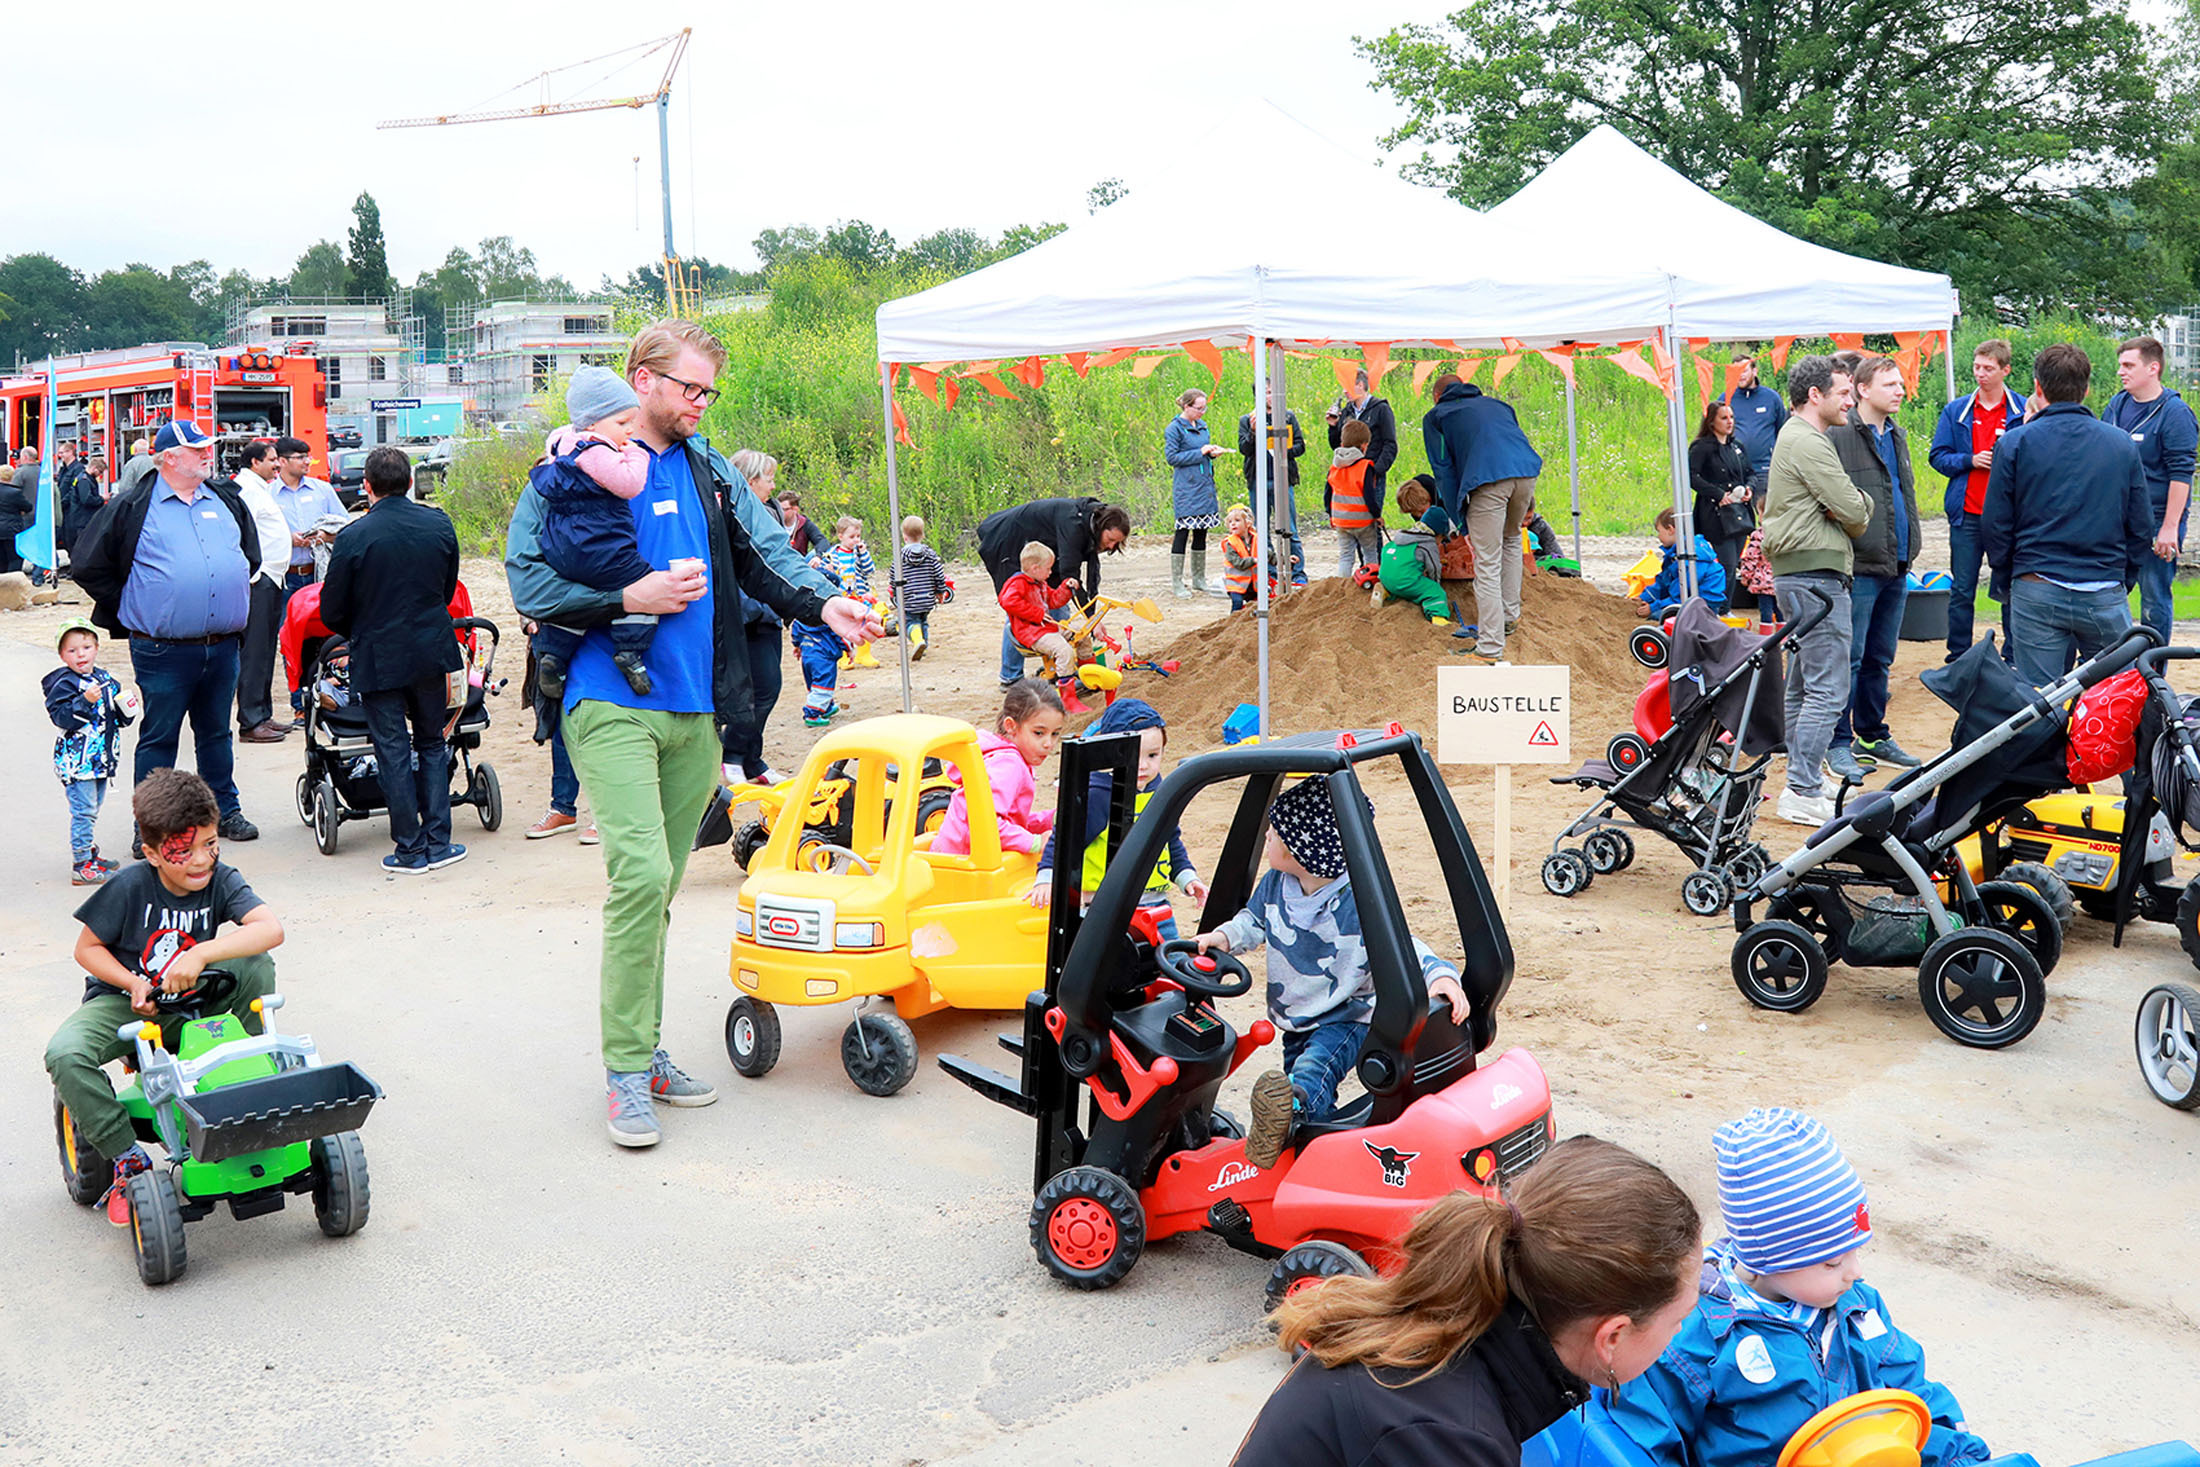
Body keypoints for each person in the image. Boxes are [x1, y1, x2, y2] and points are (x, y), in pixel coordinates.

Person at [504, 318, 871, 1149]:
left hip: (695, 712)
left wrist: (823, 603)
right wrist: (626, 600)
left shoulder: (710, 473)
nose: (703, 404)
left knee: (661, 889)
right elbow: (526, 577)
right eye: (690, 388)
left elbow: (770, 554)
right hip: (606, 699)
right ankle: (628, 1072)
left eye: (710, 391)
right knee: (638, 879)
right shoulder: (569, 465)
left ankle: (648, 1046)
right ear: (643, 379)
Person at [1229, 1136, 1704, 1467]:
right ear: (1612, 1337)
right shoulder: (1445, 1437)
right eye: (1678, 1319)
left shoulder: (1456, 1324)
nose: (1680, 1331)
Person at [1608, 1108, 1989, 1467]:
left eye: (1855, 1251)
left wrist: (1961, 1457)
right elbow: (1647, 1441)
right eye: (1833, 1262)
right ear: (1768, 1259)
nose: (1855, 1272)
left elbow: (1913, 1395)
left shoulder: (1858, 1309)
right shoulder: (1695, 1336)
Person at [43, 769, 285, 1225]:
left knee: (256, 962)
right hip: (130, 1002)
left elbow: (270, 929)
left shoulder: (220, 879)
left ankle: (248, 1083)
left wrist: (204, 954)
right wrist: (133, 982)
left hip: (200, 1001)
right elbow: (86, 948)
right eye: (183, 851)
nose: (200, 861)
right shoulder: (130, 886)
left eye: (210, 844)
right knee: (65, 1053)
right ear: (152, 852)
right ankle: (126, 1160)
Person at [1197, 776, 1471, 1169]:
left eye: (1273, 834)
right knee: (1309, 1089)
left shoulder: (1355, 902)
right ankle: (1312, 1153)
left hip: (1348, 1015)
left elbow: (1403, 944)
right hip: (1297, 1017)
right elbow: (1253, 922)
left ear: (1298, 851)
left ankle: (1290, 1118)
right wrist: (1224, 937)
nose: (1268, 838)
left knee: (1312, 1074)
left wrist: (1439, 976)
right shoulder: (1277, 882)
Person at [69, 419, 261, 844]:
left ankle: (224, 812)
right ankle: (151, 826)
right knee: (160, 736)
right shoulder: (133, 505)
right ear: (169, 458)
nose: (208, 453)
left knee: (216, 733)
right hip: (162, 649)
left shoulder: (226, 499)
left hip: (223, 645)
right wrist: (133, 601)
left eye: (207, 447)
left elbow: (250, 554)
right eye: (198, 449)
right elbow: (87, 564)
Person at [319, 447, 466, 875]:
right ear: (410, 481)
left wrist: (360, 628)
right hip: (429, 647)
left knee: (392, 750)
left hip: (378, 652)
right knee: (433, 742)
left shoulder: (353, 536)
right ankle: (440, 840)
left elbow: (332, 610)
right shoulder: (438, 523)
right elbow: (447, 584)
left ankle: (408, 847)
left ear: (366, 485)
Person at [1982, 342, 2151, 687]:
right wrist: (2123, 575)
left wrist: (2009, 573)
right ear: (2086, 390)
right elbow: (2141, 523)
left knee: (2039, 703)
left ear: (2038, 388)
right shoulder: (2120, 444)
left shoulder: (2015, 443)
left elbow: (1996, 521)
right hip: (2102, 586)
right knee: (2114, 702)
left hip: (2038, 583)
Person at [1761, 356, 1870, 827]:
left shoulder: (1802, 437)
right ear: (1815, 395)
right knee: (1827, 687)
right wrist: (1852, 507)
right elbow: (1854, 508)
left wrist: (1844, 506)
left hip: (1803, 572)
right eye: (1844, 393)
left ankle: (1805, 776)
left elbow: (1844, 506)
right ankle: (1801, 788)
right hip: (1816, 575)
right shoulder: (1808, 442)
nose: (1851, 401)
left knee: (1804, 684)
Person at [527, 367, 658, 728]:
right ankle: (630, 650)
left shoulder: (561, 443)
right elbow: (629, 484)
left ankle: (555, 654)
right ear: (593, 423)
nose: (629, 430)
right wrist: (637, 454)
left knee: (580, 597)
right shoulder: (596, 452)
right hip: (599, 546)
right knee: (644, 583)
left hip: (561, 546)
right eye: (622, 423)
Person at [1030, 697, 1210, 937]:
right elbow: (1065, 840)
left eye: (1153, 755)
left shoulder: (1160, 789)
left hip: (1155, 905)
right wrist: (1046, 875)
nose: (1144, 766)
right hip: (1104, 907)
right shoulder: (1098, 796)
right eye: (1134, 756)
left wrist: (1187, 877)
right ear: (1111, 755)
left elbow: (1169, 839)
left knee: (1171, 963)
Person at [1826, 356, 1926, 777]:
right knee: (1848, 657)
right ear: (1862, 389)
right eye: (1889, 384)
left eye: (1900, 382)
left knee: (1879, 657)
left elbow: (1901, 493)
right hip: (1861, 565)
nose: (1900, 390)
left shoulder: (1897, 434)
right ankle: (1837, 742)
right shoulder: (1839, 435)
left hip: (1896, 563)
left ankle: (1872, 734)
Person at [1423, 372, 1543, 661]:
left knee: (1486, 562)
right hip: (1526, 473)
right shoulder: (1499, 405)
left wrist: (1459, 518)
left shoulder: (1437, 415)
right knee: (1512, 539)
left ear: (1437, 396)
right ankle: (1509, 617)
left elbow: (1444, 472)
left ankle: (1490, 647)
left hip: (1488, 480)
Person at [1928, 340, 2026, 662]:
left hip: (2007, 518)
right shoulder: (1956, 411)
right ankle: (1958, 656)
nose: (1980, 374)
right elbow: (1938, 457)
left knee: (2010, 590)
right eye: (1977, 367)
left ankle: (2012, 656)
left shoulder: (2022, 411)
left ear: (2005, 370)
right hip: (1967, 515)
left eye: (1988, 368)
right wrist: (1970, 460)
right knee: (1961, 591)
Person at [976, 496, 1132, 686]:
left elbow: (1071, 583)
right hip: (1008, 541)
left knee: (1054, 604)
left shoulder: (1091, 519)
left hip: (1044, 552)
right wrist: (1091, 618)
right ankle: (1011, 677)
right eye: (1110, 540)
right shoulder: (1073, 525)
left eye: (1117, 543)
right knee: (1020, 607)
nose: (1111, 546)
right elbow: (1070, 573)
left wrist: (1092, 616)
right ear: (1102, 528)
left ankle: (1057, 665)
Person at [2105, 335, 2200, 645]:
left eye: (2129, 365)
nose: (2121, 371)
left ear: (2153, 368)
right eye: (2121, 365)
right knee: (2106, 593)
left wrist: (2170, 528)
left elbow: (2181, 474)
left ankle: (2153, 675)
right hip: (2118, 519)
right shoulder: (2117, 405)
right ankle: (2110, 669)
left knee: (2154, 598)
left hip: (2158, 520)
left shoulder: (2174, 413)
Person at [930, 677, 1065, 857]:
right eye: (1039, 733)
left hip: (959, 854)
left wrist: (1049, 820)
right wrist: (1034, 842)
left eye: (1055, 734)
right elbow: (986, 824)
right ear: (1011, 726)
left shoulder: (1006, 755)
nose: (1049, 743)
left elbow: (1011, 820)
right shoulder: (1008, 765)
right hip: (964, 865)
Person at [720, 449, 792, 785]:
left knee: (767, 687)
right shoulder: (731, 515)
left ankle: (752, 759)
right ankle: (732, 755)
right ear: (750, 481)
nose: (773, 485)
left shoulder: (769, 513)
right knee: (752, 689)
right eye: (769, 478)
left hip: (768, 612)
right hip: (744, 613)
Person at [46, 617, 134, 884]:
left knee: (93, 807)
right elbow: (61, 717)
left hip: (101, 759)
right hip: (77, 761)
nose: (80, 654)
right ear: (62, 655)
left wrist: (126, 710)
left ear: (96, 647)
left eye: (85, 647)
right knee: (84, 810)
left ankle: (89, 853)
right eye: (71, 650)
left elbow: (114, 717)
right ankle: (81, 863)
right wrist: (84, 701)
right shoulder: (63, 684)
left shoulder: (105, 679)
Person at [268, 436, 346, 723]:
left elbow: (345, 526)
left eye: (307, 456)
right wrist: (287, 539)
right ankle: (300, 703)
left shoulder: (323, 490)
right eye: (299, 457)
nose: (305, 461)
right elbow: (259, 534)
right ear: (283, 461)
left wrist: (325, 537)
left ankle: (331, 695)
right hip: (287, 579)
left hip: (319, 575)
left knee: (327, 635)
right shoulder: (269, 494)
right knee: (291, 641)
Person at [227, 440, 294, 743]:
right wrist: (252, 573)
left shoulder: (260, 488)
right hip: (259, 578)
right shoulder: (246, 490)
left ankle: (263, 715)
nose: (277, 465)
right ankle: (251, 721)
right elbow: (241, 531)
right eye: (271, 460)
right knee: (254, 651)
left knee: (266, 649)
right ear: (255, 463)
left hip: (272, 577)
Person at [1165, 389, 1229, 598]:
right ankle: (1177, 582)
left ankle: (1199, 578)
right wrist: (1200, 452)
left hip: (1204, 486)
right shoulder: (1174, 429)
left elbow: (1202, 454)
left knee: (1201, 532)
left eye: (1204, 407)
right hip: (1187, 488)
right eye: (1199, 408)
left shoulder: (1202, 427)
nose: (1203, 412)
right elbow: (1172, 458)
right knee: (1182, 533)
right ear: (1186, 406)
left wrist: (1212, 454)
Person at [1000, 541, 1085, 697]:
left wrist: (1066, 587)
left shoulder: (1040, 583)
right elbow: (1008, 601)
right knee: (1063, 650)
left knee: (1082, 633)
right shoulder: (1018, 584)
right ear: (1035, 568)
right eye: (1048, 568)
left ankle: (1087, 673)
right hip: (1031, 632)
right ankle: (1067, 693)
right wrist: (1036, 613)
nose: (1051, 572)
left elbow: (1053, 600)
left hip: (1045, 628)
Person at [1239, 401, 1310, 586]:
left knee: (1290, 528)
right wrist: (1253, 432)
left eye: (1272, 392)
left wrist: (1283, 450)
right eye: (1266, 392)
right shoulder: (1247, 420)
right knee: (1261, 530)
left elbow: (1300, 446)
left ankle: (1297, 573)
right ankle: (1270, 573)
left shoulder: (1287, 417)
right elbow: (1244, 449)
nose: (1270, 396)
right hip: (1258, 481)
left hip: (1283, 479)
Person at [1325, 368, 1399, 538]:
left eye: (1347, 386)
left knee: (1371, 525)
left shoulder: (1381, 409)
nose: (1344, 391)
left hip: (1371, 476)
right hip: (1349, 477)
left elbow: (1390, 444)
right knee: (1353, 525)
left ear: (1360, 385)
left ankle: (1375, 564)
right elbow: (1339, 447)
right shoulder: (1347, 411)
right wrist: (1333, 427)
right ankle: (1363, 565)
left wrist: (1376, 470)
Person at [1689, 400, 1754, 592]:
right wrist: (1718, 494)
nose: (1729, 422)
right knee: (1726, 563)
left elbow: (1750, 472)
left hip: (1739, 512)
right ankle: (1718, 607)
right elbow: (1691, 476)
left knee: (1733, 564)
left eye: (1732, 417)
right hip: (1715, 514)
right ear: (1711, 422)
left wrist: (1749, 488)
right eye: (1724, 418)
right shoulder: (1701, 447)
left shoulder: (1737, 447)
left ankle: (1725, 608)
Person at [1379, 475, 1456, 626]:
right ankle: (1438, 617)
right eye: (1416, 514)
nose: (1420, 517)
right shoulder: (1428, 543)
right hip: (1405, 580)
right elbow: (1434, 567)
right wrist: (1435, 582)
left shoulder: (1404, 535)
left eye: (1421, 512)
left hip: (1385, 576)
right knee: (1434, 592)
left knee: (1402, 578)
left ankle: (1386, 591)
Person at [1636, 508, 1727, 618]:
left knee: (1657, 617)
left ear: (1670, 529)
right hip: (1687, 599)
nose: (1658, 537)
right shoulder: (1675, 554)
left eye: (1659, 532)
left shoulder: (1691, 558)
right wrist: (1645, 597)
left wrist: (1654, 607)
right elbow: (1664, 581)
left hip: (1703, 605)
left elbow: (1682, 593)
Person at [1720, 354, 1788, 494]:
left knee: (1767, 512)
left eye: (1744, 371)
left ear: (1754, 371)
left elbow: (1783, 431)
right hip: (1736, 471)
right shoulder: (1725, 399)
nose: (1740, 376)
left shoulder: (1772, 398)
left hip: (1765, 470)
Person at [1326, 418, 1384, 576]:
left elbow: (1327, 494)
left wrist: (1330, 514)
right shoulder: (1365, 466)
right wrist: (1377, 515)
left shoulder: (1334, 466)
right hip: (1363, 521)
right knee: (1370, 553)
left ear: (1342, 442)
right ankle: (1371, 583)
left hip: (1341, 520)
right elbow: (1369, 496)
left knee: (1346, 556)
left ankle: (1342, 586)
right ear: (1364, 446)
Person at [828, 517, 884, 669]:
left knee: (864, 622)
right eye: (851, 537)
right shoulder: (832, 554)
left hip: (860, 594)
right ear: (841, 536)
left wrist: (864, 553)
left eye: (858, 536)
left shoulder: (858, 554)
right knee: (843, 626)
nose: (856, 540)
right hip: (842, 596)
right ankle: (844, 656)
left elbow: (869, 569)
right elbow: (827, 572)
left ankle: (863, 654)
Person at [897, 513, 946, 660]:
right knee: (923, 620)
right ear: (923, 535)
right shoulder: (930, 554)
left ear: (904, 536)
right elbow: (938, 573)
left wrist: (894, 591)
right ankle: (923, 644)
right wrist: (940, 590)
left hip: (909, 599)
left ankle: (918, 641)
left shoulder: (899, 555)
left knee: (909, 622)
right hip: (927, 598)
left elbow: (895, 575)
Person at [56, 441, 103, 564]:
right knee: (67, 541)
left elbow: (74, 493)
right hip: (65, 510)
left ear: (70, 452)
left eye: (62, 452)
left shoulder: (78, 470)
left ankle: (75, 568)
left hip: (72, 511)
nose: (60, 455)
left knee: (75, 542)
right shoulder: (64, 469)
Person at [1221, 503, 1258, 611]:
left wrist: (1285, 560)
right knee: (1237, 603)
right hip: (1236, 584)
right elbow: (1238, 563)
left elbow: (1270, 556)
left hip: (1253, 584)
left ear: (1248, 523)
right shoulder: (1230, 543)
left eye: (1237, 520)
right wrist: (1254, 560)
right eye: (1230, 522)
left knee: (1259, 605)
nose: (1233, 524)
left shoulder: (1257, 539)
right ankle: (1233, 625)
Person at [778, 489, 813, 555]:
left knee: (814, 553)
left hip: (799, 562)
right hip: (778, 562)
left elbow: (821, 541)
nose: (780, 512)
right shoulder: (775, 522)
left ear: (795, 509)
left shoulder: (804, 523)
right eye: (779, 509)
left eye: (784, 509)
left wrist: (817, 556)